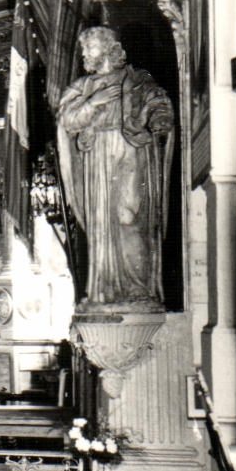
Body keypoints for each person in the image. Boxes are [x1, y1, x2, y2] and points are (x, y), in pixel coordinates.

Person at [55, 26, 175, 309]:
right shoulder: (82, 87)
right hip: (97, 157)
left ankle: (139, 290)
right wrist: (92, 103)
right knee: (101, 225)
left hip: (131, 151)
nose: (85, 53)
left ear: (109, 48)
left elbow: (159, 104)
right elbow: (67, 120)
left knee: (130, 218)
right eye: (85, 49)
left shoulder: (137, 79)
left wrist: (157, 119)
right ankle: (105, 291)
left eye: (90, 47)